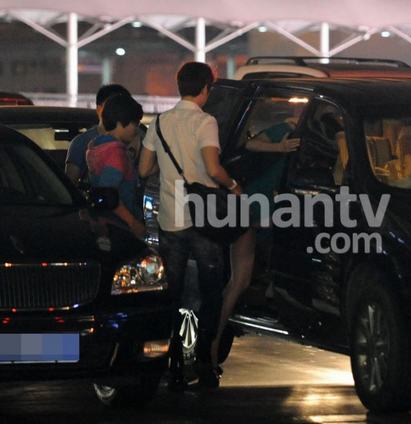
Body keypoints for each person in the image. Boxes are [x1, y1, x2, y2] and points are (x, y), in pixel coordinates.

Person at [138, 61, 241, 390]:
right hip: (203, 220)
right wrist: (234, 186)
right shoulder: (205, 122)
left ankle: (170, 363)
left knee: (172, 293)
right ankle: (204, 362)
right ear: (205, 89)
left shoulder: (160, 121)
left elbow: (143, 170)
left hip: (171, 220)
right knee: (211, 292)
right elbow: (213, 168)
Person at [209, 106, 301, 368]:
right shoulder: (287, 129)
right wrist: (280, 148)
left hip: (266, 207)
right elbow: (251, 144)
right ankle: (213, 343)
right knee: (240, 279)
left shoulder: (312, 136)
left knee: (241, 279)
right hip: (255, 204)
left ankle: (213, 343)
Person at [86, 94, 145, 238]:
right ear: (120, 123)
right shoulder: (115, 153)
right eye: (135, 124)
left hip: (105, 221)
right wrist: (133, 222)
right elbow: (108, 193)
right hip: (119, 225)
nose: (136, 129)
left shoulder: (98, 146)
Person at [65, 84, 131, 186]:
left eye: (123, 107)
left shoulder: (135, 137)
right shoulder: (81, 142)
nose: (119, 112)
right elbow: (70, 183)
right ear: (99, 109)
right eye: (113, 107)